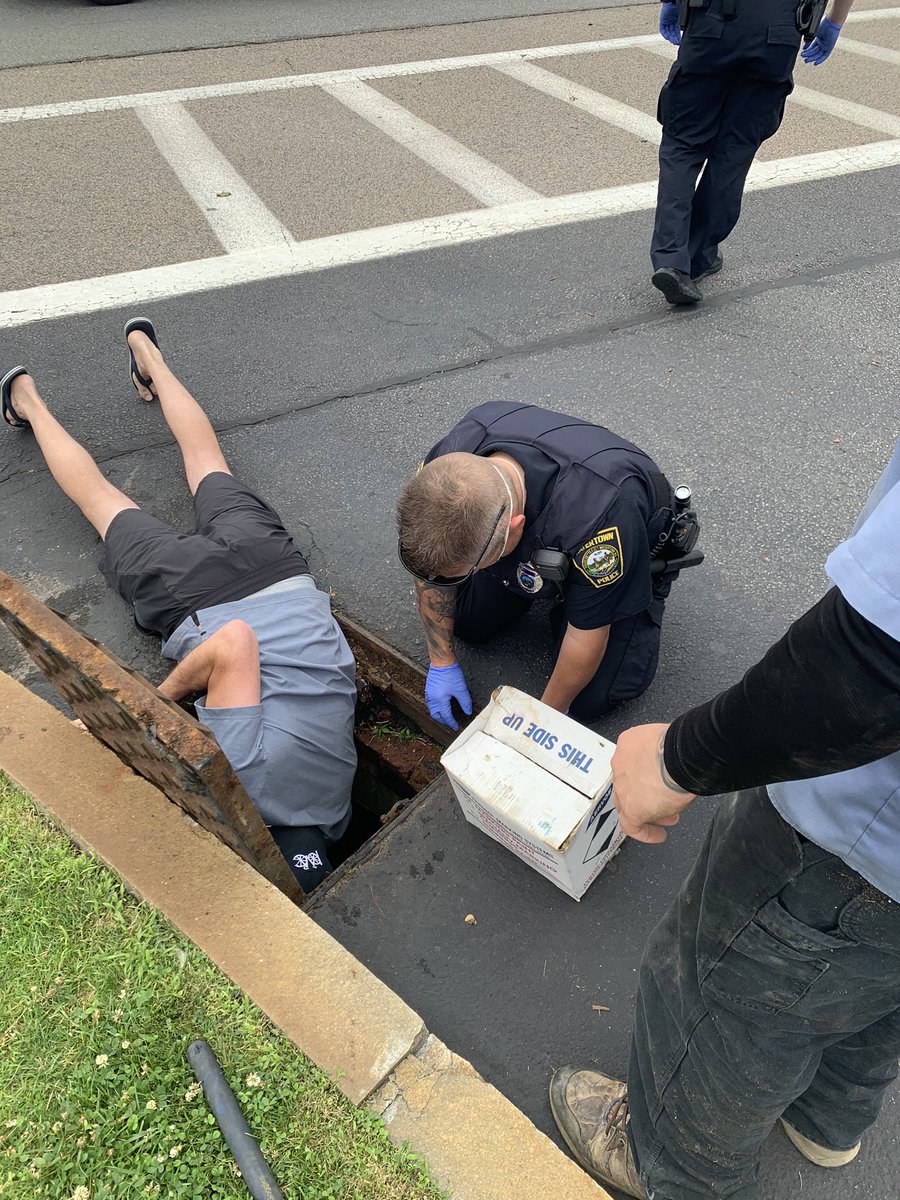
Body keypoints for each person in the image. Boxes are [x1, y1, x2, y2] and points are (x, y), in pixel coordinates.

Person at [549, 435, 900, 1198]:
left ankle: (671, 1166)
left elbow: (876, 664)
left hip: (854, 841)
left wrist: (678, 761)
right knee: (876, 983)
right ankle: (828, 1117)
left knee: (727, 992)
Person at [0, 321, 357, 892]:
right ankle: (26, 401)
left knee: (207, 461)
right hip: (198, 596)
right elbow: (234, 643)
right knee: (103, 502)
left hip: (279, 575)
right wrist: (154, 705)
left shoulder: (334, 810)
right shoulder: (246, 778)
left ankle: (147, 356)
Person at [396, 400, 696, 730]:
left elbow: (586, 634)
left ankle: (616, 594)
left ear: (516, 528)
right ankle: (535, 585)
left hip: (630, 530)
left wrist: (542, 718)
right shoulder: (445, 467)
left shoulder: (601, 517)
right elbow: (430, 567)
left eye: (471, 569)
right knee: (466, 622)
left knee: (592, 697)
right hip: (533, 537)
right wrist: (441, 661)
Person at [651, 0, 855, 305]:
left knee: (682, 144)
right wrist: (835, 22)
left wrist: (670, 3)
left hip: (710, 24)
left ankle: (672, 259)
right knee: (734, 151)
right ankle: (697, 256)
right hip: (777, 34)